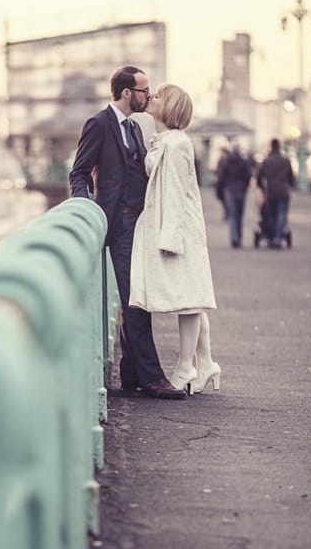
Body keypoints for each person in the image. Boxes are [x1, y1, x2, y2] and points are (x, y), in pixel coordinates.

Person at [69, 66, 186, 400]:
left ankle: (133, 373)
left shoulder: (135, 127)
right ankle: (152, 378)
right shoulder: (99, 124)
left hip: (139, 225)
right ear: (125, 93)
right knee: (136, 301)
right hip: (117, 224)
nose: (148, 96)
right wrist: (86, 206)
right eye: (144, 90)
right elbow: (78, 172)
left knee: (136, 296)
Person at [129, 83, 220, 395]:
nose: (151, 97)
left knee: (188, 298)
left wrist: (170, 238)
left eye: (157, 95)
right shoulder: (166, 140)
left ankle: (186, 368)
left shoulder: (178, 144)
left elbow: (179, 195)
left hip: (179, 230)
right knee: (190, 295)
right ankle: (205, 363)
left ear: (169, 107)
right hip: (168, 226)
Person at [256, 138, 295, 248]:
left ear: (271, 147)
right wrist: (290, 186)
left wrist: (263, 188)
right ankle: (277, 238)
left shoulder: (267, 161)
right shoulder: (285, 160)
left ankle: (272, 237)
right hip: (283, 191)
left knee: (271, 215)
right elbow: (291, 177)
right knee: (281, 215)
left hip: (271, 192)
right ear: (279, 147)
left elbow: (259, 177)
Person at [217, 144, 252, 247]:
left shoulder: (227, 163)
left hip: (230, 191)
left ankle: (234, 238)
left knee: (233, 216)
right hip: (241, 192)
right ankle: (239, 238)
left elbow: (222, 179)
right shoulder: (244, 162)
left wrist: (224, 188)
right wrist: (245, 187)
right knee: (240, 216)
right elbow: (248, 176)